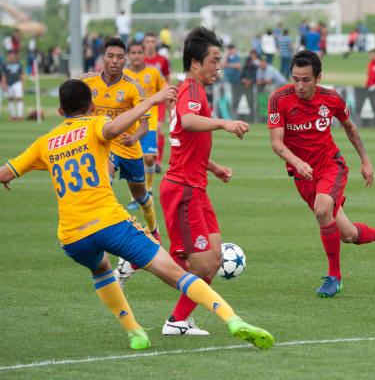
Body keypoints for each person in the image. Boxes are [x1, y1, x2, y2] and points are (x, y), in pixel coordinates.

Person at [0, 78, 274, 350]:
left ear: (61, 111)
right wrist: (153, 100)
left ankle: (135, 332)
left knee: (101, 268)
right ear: (92, 107)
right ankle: (233, 320)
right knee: (175, 273)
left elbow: (5, 173)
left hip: (72, 236)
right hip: (109, 223)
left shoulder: (45, 142)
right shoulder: (95, 124)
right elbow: (112, 128)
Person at [267, 50, 375, 298]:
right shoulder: (279, 99)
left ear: (318, 78)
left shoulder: (331, 99)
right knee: (348, 235)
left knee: (322, 209)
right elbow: (276, 143)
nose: (300, 86)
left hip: (330, 166)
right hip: (303, 175)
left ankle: (334, 277)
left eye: (306, 80)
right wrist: (297, 163)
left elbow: (350, 128)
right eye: (295, 79)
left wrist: (365, 161)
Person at [158, 27, 253, 336]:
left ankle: (178, 320)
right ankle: (141, 260)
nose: (218, 67)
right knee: (199, 265)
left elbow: (184, 141)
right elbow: (187, 122)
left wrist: (213, 168)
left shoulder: (192, 90)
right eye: (213, 60)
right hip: (183, 188)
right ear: (195, 63)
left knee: (213, 260)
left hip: (196, 185)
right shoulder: (193, 90)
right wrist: (225, 123)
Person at [81, 38, 160, 242]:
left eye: (119, 57)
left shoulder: (133, 87)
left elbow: (144, 125)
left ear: (125, 60)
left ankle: (153, 230)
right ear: (103, 58)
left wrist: (134, 138)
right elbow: (71, 102)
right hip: (102, 145)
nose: (115, 61)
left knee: (141, 196)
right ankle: (106, 232)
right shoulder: (86, 82)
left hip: (128, 147)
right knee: (103, 184)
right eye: (110, 56)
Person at [122, 41, 167, 211]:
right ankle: (134, 197)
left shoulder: (154, 72)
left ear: (144, 54)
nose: (136, 56)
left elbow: (164, 92)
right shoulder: (123, 75)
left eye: (139, 52)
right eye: (133, 53)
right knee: (132, 161)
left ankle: (148, 189)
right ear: (128, 55)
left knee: (148, 158)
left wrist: (167, 115)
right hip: (129, 124)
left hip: (149, 121)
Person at [143, 32, 171, 173]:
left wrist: (169, 103)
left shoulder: (162, 60)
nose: (150, 44)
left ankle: (158, 161)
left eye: (152, 41)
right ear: (144, 43)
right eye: (147, 41)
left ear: (156, 43)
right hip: (141, 102)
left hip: (158, 101)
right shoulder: (139, 59)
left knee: (158, 128)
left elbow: (167, 80)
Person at [1, 50, 25, 121]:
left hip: (17, 83)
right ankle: (13, 115)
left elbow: (21, 75)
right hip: (9, 84)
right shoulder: (5, 65)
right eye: (10, 55)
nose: (11, 57)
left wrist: (23, 84)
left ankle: (20, 115)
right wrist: (4, 84)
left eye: (12, 55)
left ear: (15, 56)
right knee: (10, 99)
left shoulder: (19, 64)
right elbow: (4, 75)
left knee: (19, 98)